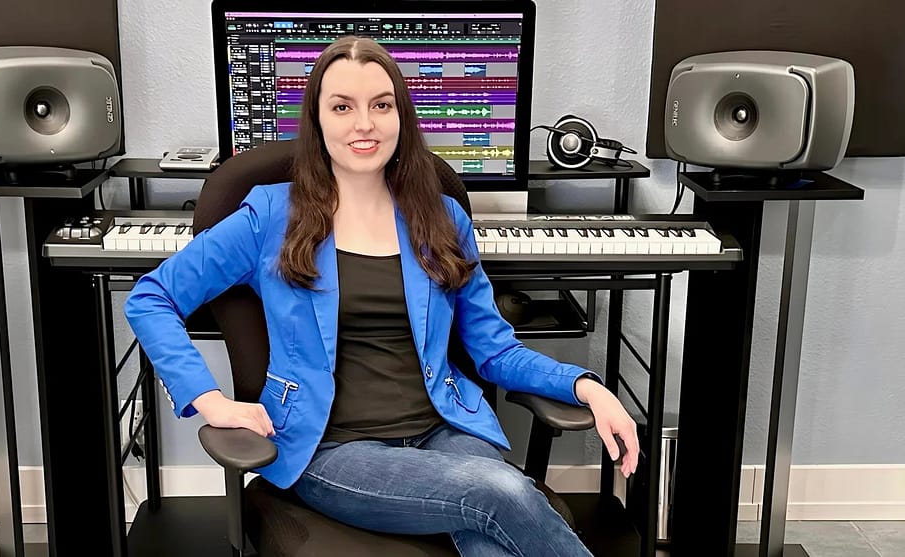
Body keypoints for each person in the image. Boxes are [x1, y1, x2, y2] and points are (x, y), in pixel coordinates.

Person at [126, 35, 639, 557]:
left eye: (381, 105)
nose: (364, 124)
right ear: (318, 119)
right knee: (500, 490)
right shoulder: (270, 216)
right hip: (331, 450)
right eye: (342, 106)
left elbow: (495, 350)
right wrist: (210, 401)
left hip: (443, 431)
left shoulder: (441, 218)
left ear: (401, 117)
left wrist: (585, 387)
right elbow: (152, 297)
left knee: (489, 541)